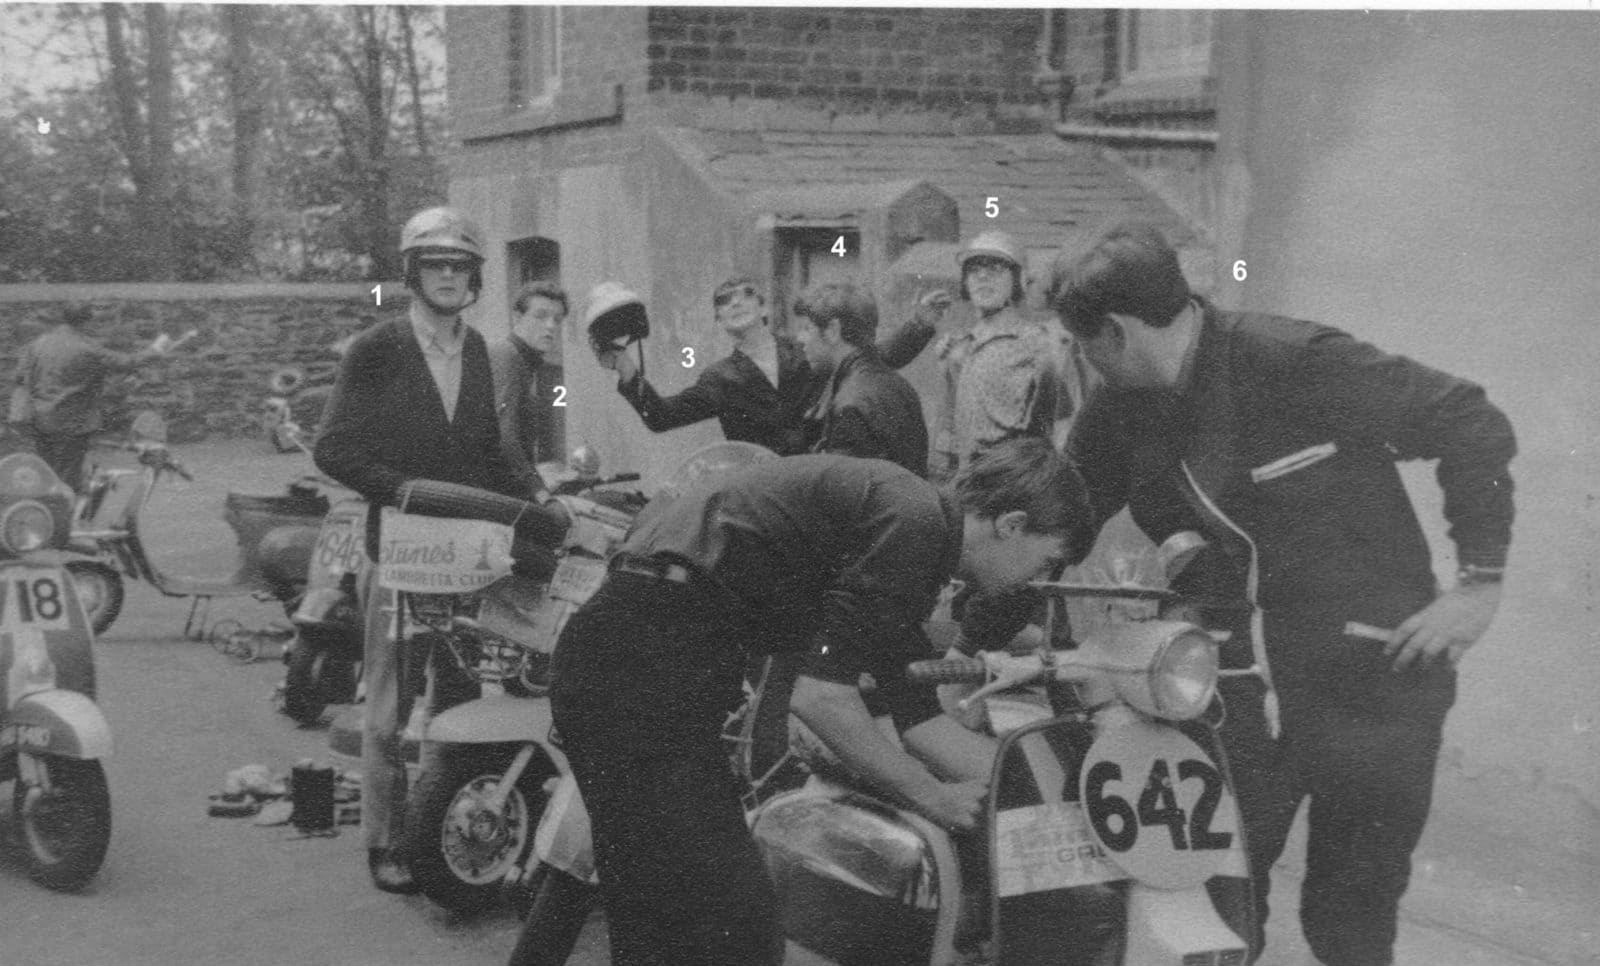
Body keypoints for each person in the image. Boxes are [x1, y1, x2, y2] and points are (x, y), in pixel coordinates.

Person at [1048, 221, 1516, 966]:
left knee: (1349, 922)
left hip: (1370, 685)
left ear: (1115, 331)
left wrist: (1478, 585)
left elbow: (1471, 421)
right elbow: (1057, 518)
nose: (1080, 360)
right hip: (1230, 692)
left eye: (1083, 343)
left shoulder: (1294, 360)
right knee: (1219, 902)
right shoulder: (1120, 408)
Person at [546, 438, 1093, 966]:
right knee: (731, 925)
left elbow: (920, 720)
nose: (1036, 583)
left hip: (634, 657)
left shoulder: (911, 525)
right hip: (645, 658)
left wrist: (1053, 789)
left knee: (665, 919)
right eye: (1046, 563)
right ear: (1012, 525)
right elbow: (821, 697)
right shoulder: (915, 524)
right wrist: (933, 795)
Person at [314, 206, 530, 894]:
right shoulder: (377, 349)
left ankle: (434, 825)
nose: (447, 277)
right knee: (388, 705)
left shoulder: (479, 350)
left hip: (463, 555)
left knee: (459, 692)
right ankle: (381, 841)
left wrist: (537, 510)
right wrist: (402, 490)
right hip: (401, 551)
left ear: (474, 279)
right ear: (412, 273)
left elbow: (488, 455)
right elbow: (333, 449)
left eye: (459, 266)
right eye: (435, 264)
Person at [879, 229, 1089, 480]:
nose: (983, 277)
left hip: (1018, 480)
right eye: (974, 269)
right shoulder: (957, 348)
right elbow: (949, 427)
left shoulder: (1041, 344)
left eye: (996, 269)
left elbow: (1063, 425)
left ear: (1018, 280)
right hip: (967, 482)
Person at [594, 275, 818, 455]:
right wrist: (624, 365)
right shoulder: (720, 378)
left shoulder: (807, 355)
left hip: (817, 481)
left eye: (747, 294)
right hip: (760, 491)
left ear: (764, 308)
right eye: (724, 300)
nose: (736, 302)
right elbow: (661, 416)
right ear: (718, 319)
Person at [9, 304, 172, 491]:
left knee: (48, 471)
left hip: (39, 418)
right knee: (67, 477)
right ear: (86, 322)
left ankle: (47, 513)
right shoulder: (86, 348)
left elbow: (19, 376)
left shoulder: (39, 343)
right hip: (71, 423)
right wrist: (156, 349)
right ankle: (65, 517)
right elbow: (125, 362)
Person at [790, 279, 928, 475]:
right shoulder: (899, 384)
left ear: (832, 330)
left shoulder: (849, 404)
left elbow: (844, 497)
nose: (800, 339)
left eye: (806, 328)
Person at [489, 280, 566, 496]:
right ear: (517, 318)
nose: (551, 326)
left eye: (557, 319)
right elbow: (504, 438)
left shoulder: (527, 363)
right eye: (541, 316)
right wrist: (538, 490)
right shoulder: (508, 356)